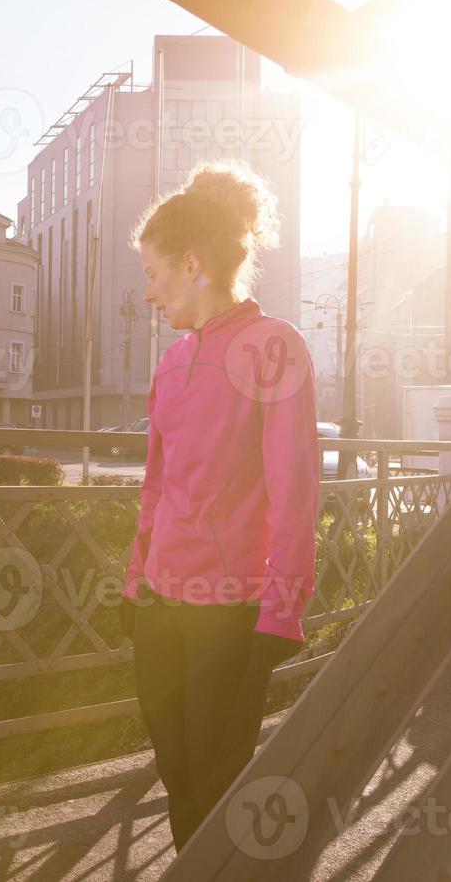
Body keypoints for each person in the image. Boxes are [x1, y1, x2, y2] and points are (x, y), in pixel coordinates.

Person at [121, 160, 320, 851]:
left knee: (218, 784)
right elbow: (154, 485)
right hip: (159, 604)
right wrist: (133, 581)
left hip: (230, 611)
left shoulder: (273, 346)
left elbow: (296, 488)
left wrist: (283, 609)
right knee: (178, 777)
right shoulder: (172, 362)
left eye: (152, 274)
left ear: (193, 262)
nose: (146, 294)